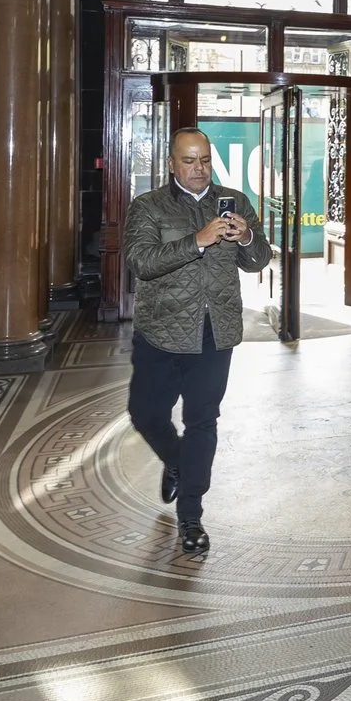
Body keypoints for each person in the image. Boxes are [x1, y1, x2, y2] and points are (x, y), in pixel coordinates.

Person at [124, 127, 274, 555]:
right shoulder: (148, 206)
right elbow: (141, 262)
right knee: (146, 413)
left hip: (216, 332)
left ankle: (191, 514)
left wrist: (245, 236)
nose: (199, 169)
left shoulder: (234, 201)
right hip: (162, 331)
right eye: (189, 161)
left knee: (202, 421)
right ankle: (176, 460)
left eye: (205, 160)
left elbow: (259, 259)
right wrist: (197, 241)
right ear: (171, 163)